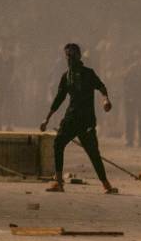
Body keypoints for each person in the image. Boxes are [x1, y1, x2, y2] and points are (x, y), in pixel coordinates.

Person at [39, 43, 116, 194]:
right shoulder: (66, 76)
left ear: (79, 56)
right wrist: (46, 119)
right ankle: (59, 182)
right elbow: (59, 99)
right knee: (58, 144)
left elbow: (101, 87)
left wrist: (105, 100)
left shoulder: (88, 74)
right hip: (71, 119)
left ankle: (106, 184)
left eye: (72, 55)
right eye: (67, 56)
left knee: (93, 152)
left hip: (86, 120)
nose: (70, 59)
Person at [122, 48, 141, 148]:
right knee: (133, 120)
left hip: (137, 97)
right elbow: (126, 85)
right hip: (134, 98)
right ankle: (133, 140)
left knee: (136, 120)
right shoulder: (134, 70)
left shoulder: (140, 70)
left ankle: (136, 141)